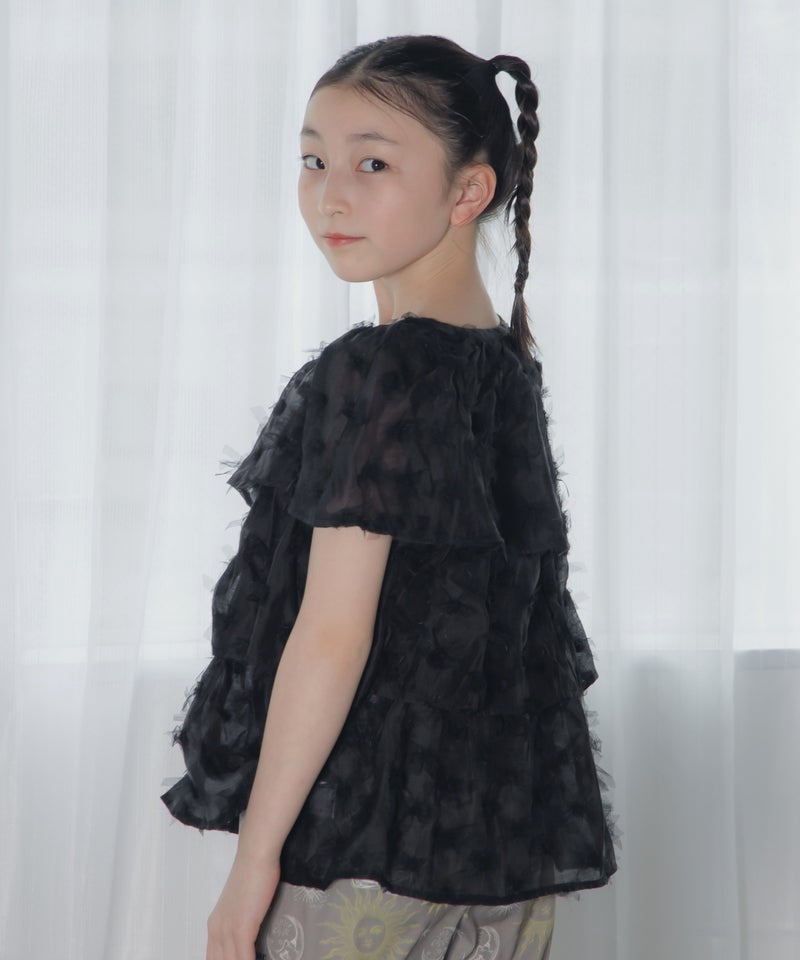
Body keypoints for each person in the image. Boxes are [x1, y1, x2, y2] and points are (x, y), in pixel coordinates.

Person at [162, 33, 618, 960]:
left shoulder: (384, 372)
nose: (331, 195)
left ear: (468, 190)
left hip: (365, 853)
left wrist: (252, 866)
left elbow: (333, 634)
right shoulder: (502, 366)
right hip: (498, 845)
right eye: (313, 161)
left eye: (372, 163)